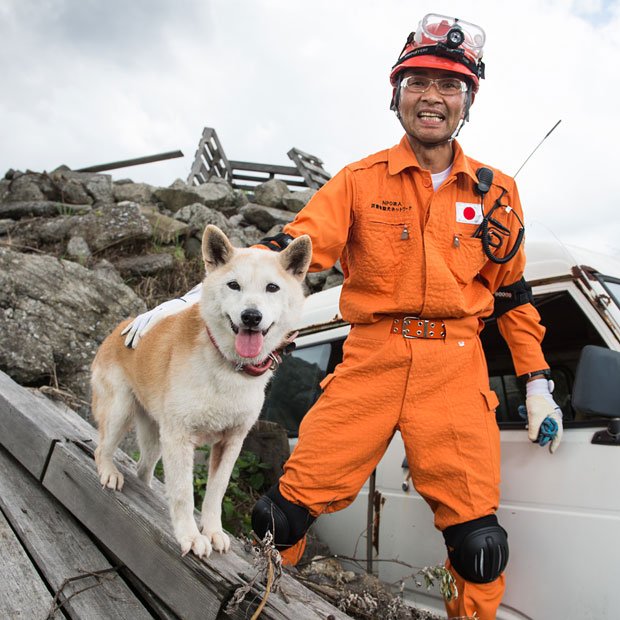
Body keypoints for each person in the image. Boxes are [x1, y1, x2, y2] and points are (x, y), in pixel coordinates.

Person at [123, 14, 563, 619]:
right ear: (396, 93)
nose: (432, 96)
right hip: (372, 361)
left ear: (469, 99)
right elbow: (293, 244)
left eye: (451, 85)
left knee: (480, 546)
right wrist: (196, 294)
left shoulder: (499, 193)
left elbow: (513, 297)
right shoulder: (359, 182)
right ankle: (263, 604)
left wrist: (537, 384)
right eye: (418, 82)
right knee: (277, 516)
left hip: (456, 369)